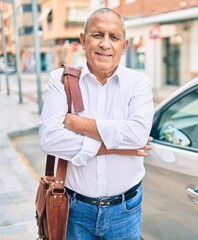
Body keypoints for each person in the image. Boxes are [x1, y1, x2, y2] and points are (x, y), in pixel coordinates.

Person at [39, 8, 154, 239]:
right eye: (97, 35)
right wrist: (110, 146)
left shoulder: (139, 83)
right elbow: (50, 139)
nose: (105, 44)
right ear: (83, 40)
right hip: (73, 210)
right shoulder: (60, 80)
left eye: (114, 37)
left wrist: (77, 124)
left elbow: (138, 135)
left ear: (124, 45)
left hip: (126, 210)